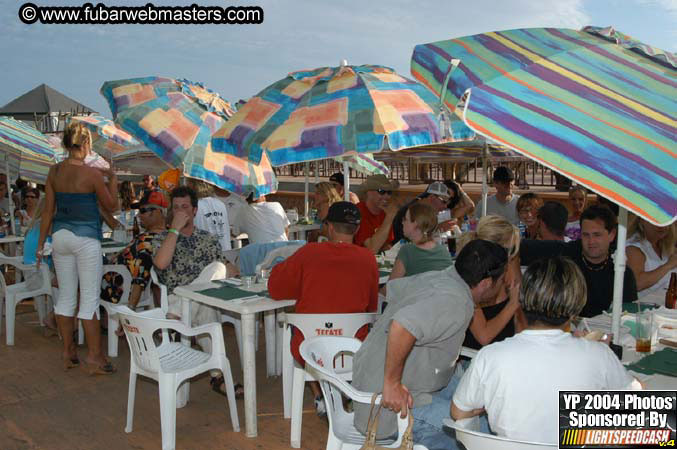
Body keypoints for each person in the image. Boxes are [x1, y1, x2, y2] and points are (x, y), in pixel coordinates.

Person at [452, 256, 641, 444]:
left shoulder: (491, 356)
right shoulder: (598, 355)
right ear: (576, 304)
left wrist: (490, 400)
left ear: (522, 300)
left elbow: (459, 412)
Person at [352, 240, 510, 449]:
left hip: (377, 384)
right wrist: (391, 384)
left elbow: (390, 292)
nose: (505, 285)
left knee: (482, 409)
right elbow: (401, 326)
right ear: (486, 283)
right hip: (387, 408)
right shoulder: (455, 301)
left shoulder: (436, 276)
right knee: (480, 433)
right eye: (502, 280)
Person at [268, 201, 379, 415]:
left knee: (298, 326)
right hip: (352, 349)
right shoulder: (368, 259)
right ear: (356, 229)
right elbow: (371, 306)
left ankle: (319, 395)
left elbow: (275, 289)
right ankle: (344, 392)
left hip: (310, 352)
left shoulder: (309, 253)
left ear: (328, 227)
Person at [38, 121, 119, 374]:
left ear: (65, 143)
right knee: (89, 299)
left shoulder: (54, 172)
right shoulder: (93, 174)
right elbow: (112, 206)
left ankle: (68, 352)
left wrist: (41, 243)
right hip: (85, 238)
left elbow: (48, 211)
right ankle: (95, 356)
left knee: (66, 297)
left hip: (60, 236)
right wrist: (113, 178)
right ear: (86, 144)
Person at [152, 185, 239, 396]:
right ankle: (218, 377)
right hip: (178, 294)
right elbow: (161, 264)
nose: (180, 211)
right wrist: (174, 230)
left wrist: (224, 270)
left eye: (185, 207)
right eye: (176, 207)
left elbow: (232, 270)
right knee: (208, 312)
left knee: (216, 270)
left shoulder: (207, 239)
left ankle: (177, 312)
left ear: (195, 210)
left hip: (192, 302)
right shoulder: (161, 237)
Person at [520, 204, 638, 317]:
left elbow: (629, 316)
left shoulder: (621, 273)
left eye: (597, 235)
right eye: (586, 235)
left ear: (611, 235)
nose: (591, 241)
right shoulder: (567, 253)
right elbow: (521, 247)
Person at [457, 215, 524, 349]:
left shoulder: (510, 263)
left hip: (508, 348)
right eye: (511, 249)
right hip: (477, 355)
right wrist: (512, 304)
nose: (512, 254)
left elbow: (520, 310)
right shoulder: (469, 274)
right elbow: (483, 336)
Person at [101, 190, 167, 311]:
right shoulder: (166, 237)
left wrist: (130, 310)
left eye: (143, 211)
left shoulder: (148, 243)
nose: (138, 215)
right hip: (124, 284)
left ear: (158, 212)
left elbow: (140, 274)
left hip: (117, 289)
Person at [388, 202, 452, 281]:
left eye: (405, 219)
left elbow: (391, 286)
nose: (402, 222)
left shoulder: (407, 251)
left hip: (421, 293)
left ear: (415, 224)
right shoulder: (442, 250)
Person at [626, 217, 677, 294]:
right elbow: (637, 284)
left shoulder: (665, 245)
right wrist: (668, 265)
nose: (662, 225)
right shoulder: (633, 248)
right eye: (655, 221)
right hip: (642, 304)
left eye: (665, 221)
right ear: (642, 220)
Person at [354, 174, 399, 253]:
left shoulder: (384, 213)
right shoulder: (358, 212)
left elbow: (386, 244)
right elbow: (371, 249)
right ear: (368, 192)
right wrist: (390, 217)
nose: (386, 196)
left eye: (389, 192)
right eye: (381, 191)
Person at [187, 179, 232, 252]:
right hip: (225, 252)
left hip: (205, 254)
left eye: (188, 182)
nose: (186, 185)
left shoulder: (193, 206)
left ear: (193, 185)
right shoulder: (220, 204)